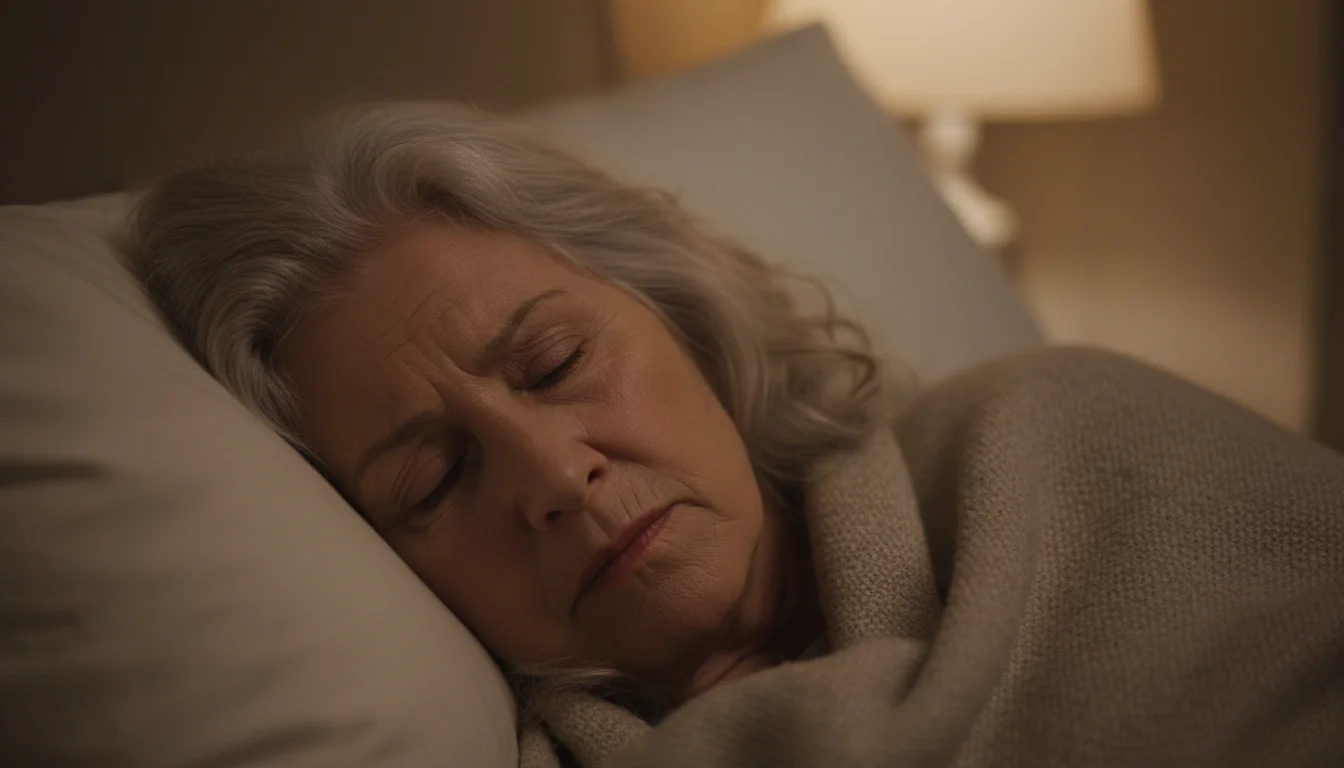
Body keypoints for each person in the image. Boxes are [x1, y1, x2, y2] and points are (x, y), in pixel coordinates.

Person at [123, 103, 1344, 768]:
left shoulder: (1058, 432)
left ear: (685, 321)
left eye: (554, 362)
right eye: (437, 477)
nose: (554, 473)